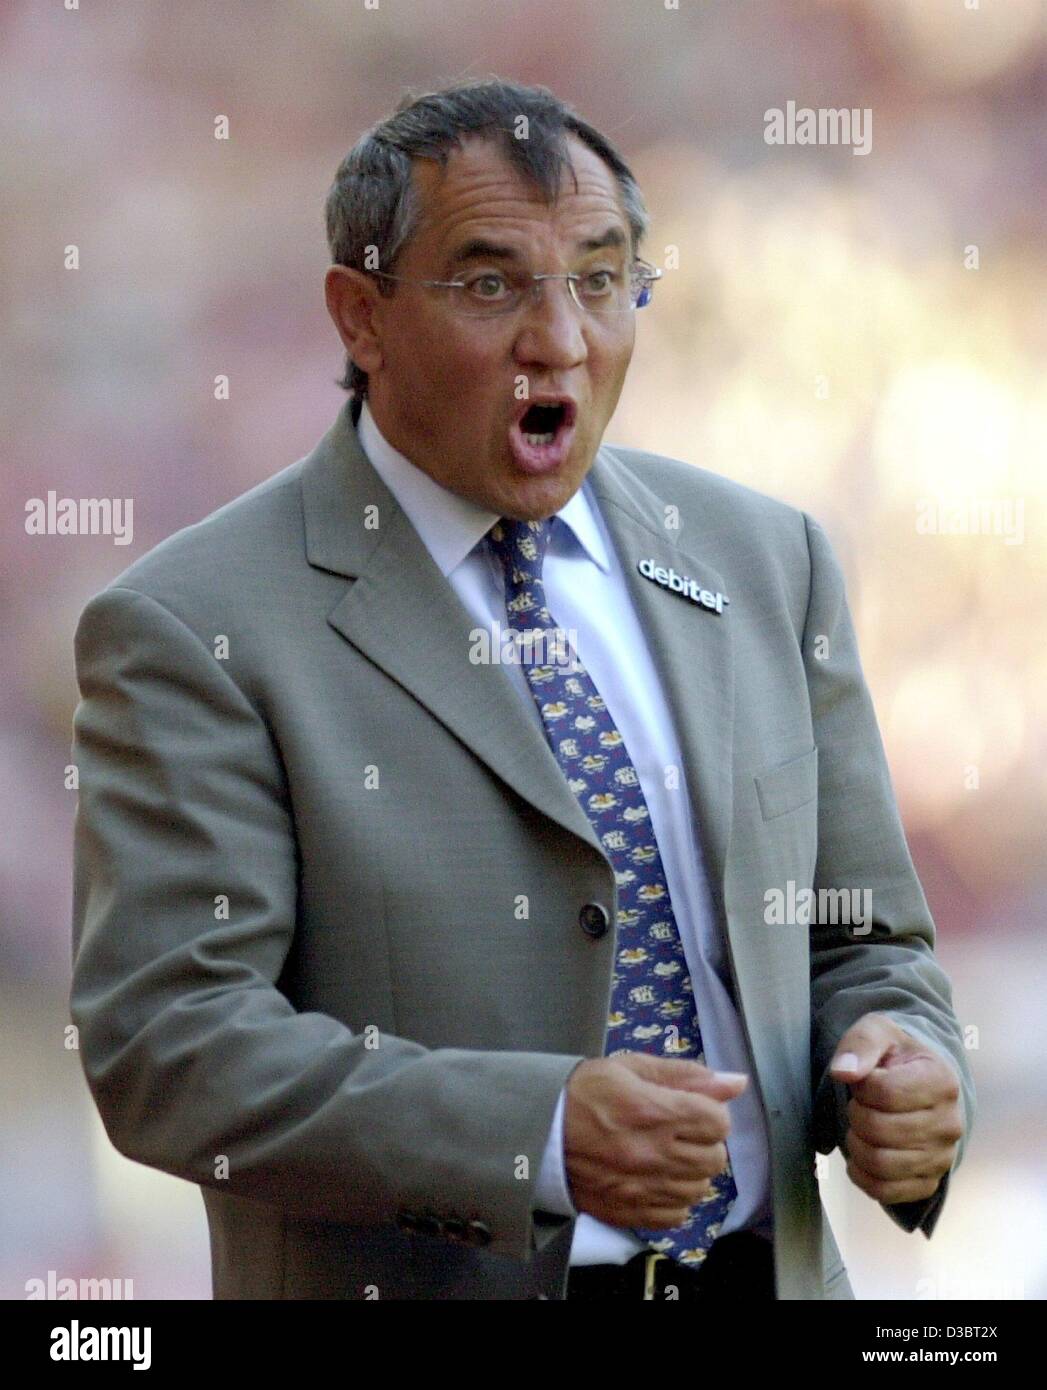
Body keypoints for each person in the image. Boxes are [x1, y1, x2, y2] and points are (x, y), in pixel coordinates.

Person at [69, 78, 973, 1301]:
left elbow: (863, 939)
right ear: (362, 316)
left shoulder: (767, 560)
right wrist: (538, 1133)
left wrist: (907, 1060)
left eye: (601, 280)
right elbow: (170, 1046)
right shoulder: (195, 626)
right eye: (492, 285)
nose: (561, 339)